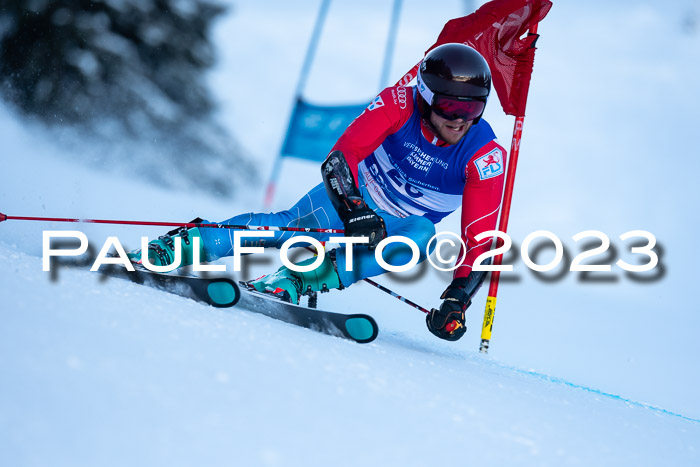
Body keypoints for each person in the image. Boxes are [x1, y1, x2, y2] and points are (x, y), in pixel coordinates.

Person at [129, 43, 507, 341]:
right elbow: (340, 158)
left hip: (396, 226)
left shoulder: (484, 155)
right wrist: (354, 207)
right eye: (449, 105)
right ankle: (186, 245)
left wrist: (457, 300)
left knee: (422, 236)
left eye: (472, 107)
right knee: (285, 229)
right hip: (351, 197)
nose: (459, 118)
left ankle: (296, 279)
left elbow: (480, 240)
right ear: (425, 96)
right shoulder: (398, 102)